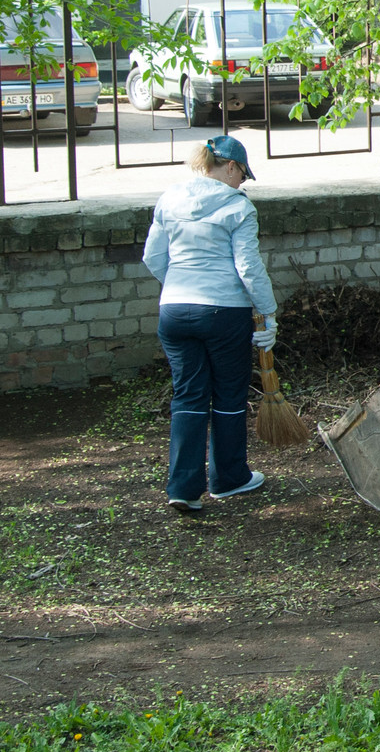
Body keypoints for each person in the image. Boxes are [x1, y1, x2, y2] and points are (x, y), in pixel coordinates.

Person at [142, 134, 278, 515]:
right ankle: (229, 479)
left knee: (187, 395)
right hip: (224, 313)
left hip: (173, 309)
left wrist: (181, 285)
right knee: (229, 396)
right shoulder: (238, 207)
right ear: (231, 167)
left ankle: (183, 488)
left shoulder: (170, 198)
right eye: (242, 175)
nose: (242, 184)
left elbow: (153, 256)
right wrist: (268, 314)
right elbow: (248, 268)